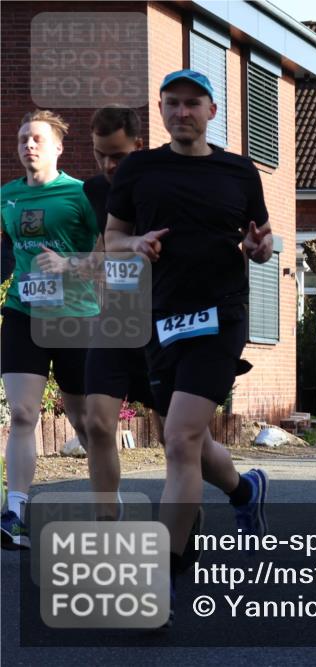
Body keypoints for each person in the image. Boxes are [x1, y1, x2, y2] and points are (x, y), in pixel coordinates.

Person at [104, 70, 272, 619]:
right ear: (160, 110)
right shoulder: (138, 169)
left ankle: (165, 577)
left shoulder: (239, 170)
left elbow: (262, 245)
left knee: (178, 441)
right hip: (159, 318)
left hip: (221, 316)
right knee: (190, 440)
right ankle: (244, 490)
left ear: (212, 111)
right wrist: (136, 243)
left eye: (192, 103)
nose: (182, 112)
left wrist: (257, 246)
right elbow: (112, 240)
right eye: (172, 104)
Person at [1, 110, 99, 549]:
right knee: (23, 414)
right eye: (23, 139)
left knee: (85, 421)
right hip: (24, 312)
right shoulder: (7, 197)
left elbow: (111, 258)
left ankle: (106, 509)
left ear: (58, 147)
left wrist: (68, 265)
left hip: (76, 315)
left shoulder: (80, 196)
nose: (29, 146)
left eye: (37, 139)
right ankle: (16, 512)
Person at [77, 106, 148, 521]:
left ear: (138, 146)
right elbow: (94, 247)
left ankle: (239, 487)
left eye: (117, 156)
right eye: (100, 154)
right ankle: (107, 522)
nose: (108, 165)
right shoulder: (93, 191)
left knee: (183, 437)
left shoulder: (159, 185)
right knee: (99, 423)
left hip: (161, 323)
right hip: (114, 321)